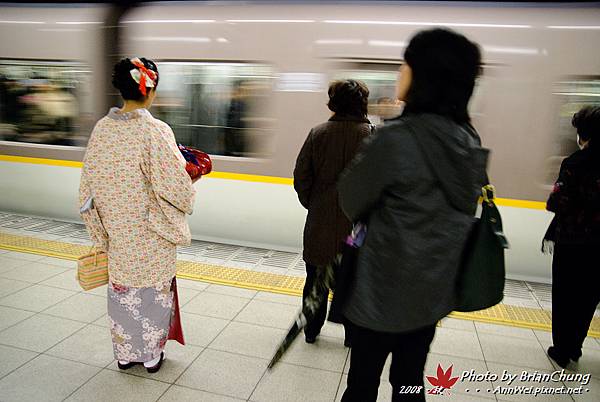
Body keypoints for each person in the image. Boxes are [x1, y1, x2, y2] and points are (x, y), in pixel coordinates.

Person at [337, 28, 488, 401]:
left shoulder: (396, 138)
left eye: (406, 64)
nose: (400, 73)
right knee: (409, 380)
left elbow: (351, 200)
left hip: (381, 291)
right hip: (431, 292)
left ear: (423, 75)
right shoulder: (468, 141)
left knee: (362, 383)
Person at [79, 57, 196, 373]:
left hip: (117, 233)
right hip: (152, 231)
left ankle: (125, 354)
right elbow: (175, 185)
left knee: (122, 294)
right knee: (152, 295)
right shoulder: (155, 130)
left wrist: (100, 234)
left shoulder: (101, 131)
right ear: (150, 89)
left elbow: (86, 190)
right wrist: (190, 182)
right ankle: (150, 356)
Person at [293, 79, 371, 345]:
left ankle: (311, 331)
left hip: (320, 225)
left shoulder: (319, 133)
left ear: (333, 103)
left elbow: (301, 176)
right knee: (352, 283)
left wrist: (314, 204)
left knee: (315, 281)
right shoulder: (372, 136)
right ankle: (352, 336)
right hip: (357, 230)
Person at [545, 105, 600, 368]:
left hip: (572, 242)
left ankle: (562, 349)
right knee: (588, 297)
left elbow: (556, 202)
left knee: (565, 294)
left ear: (584, 135)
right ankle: (576, 346)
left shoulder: (574, 163)